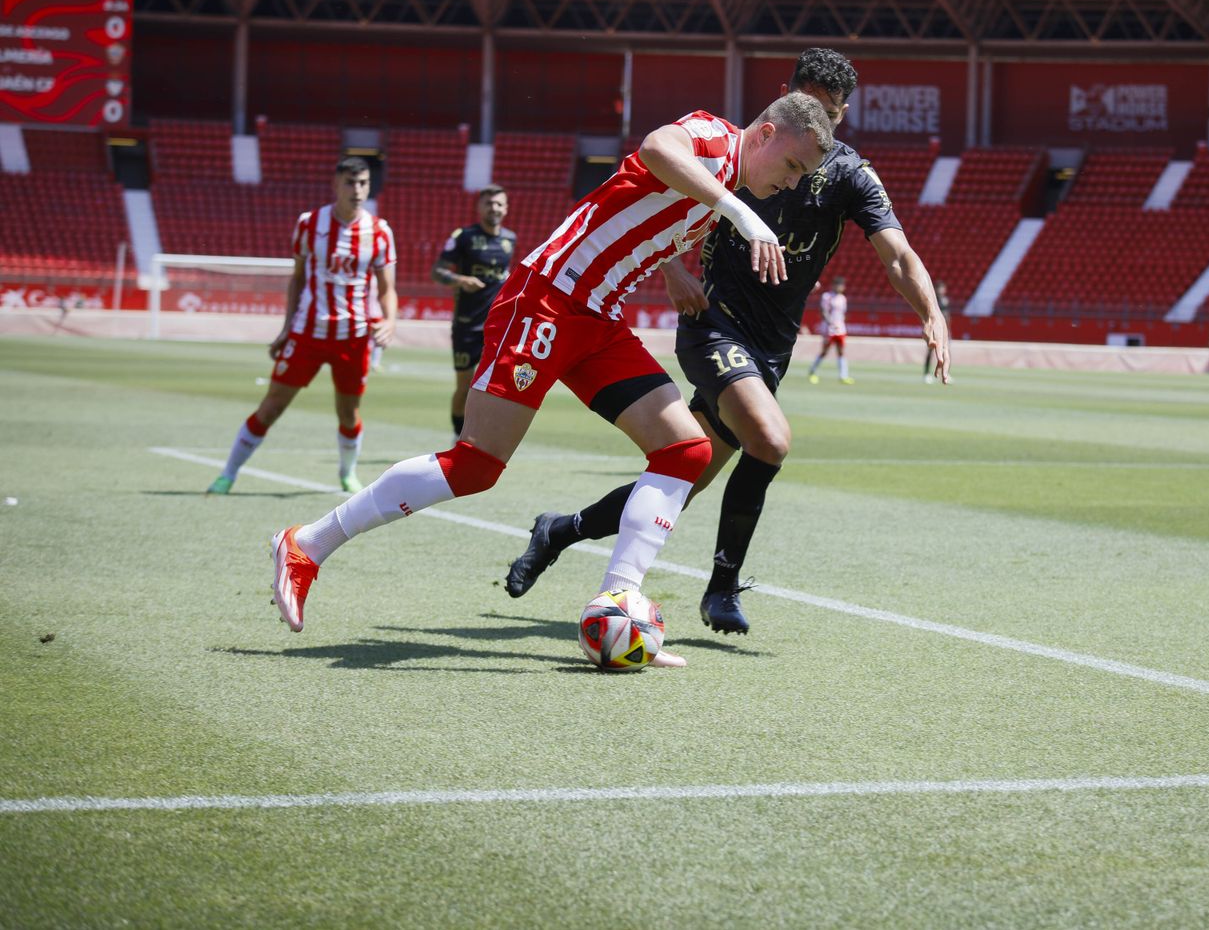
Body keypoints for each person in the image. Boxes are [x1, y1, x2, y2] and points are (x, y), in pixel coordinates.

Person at [268, 94, 834, 669]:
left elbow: (639, 207)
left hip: (599, 318)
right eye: (792, 166)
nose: (791, 184)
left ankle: (619, 598)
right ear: (764, 135)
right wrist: (739, 214)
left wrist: (674, 266)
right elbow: (658, 149)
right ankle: (307, 544)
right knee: (476, 465)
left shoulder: (729, 188)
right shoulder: (714, 140)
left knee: (686, 450)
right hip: (546, 301)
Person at [502, 47, 951, 636]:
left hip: (772, 348)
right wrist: (671, 268)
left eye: (832, 110)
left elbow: (897, 253)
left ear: (841, 114)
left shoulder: (848, 175)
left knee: (682, 479)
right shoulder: (744, 149)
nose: (819, 117)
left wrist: (932, 313)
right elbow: (647, 192)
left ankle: (560, 530)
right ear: (789, 95)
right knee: (769, 439)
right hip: (714, 324)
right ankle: (721, 588)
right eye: (810, 102)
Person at [207, 157, 396, 495]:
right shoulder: (309, 224)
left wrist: (391, 322)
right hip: (307, 333)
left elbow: (387, 289)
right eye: (351, 182)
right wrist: (285, 328)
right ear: (336, 184)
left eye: (364, 183)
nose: (357, 190)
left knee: (348, 412)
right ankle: (228, 474)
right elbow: (296, 280)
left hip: (353, 337)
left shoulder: (380, 232)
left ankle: (347, 474)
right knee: (272, 405)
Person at [434, 185, 517, 438]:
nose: (494, 208)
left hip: (497, 325)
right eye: (489, 203)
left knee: (493, 386)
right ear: (479, 207)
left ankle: (481, 436)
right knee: (464, 387)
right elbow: (437, 271)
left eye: (499, 204)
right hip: (467, 325)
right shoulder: (464, 237)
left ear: (506, 208)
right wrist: (461, 280)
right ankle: (457, 436)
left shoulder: (509, 239)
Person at [807, 275, 853, 384]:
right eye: (839, 285)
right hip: (829, 328)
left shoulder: (842, 298)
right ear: (834, 285)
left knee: (841, 351)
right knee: (825, 351)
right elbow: (823, 311)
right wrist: (830, 323)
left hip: (840, 328)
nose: (841, 287)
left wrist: (840, 323)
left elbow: (842, 314)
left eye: (842, 285)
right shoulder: (827, 296)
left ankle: (843, 375)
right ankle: (812, 371)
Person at [924, 279, 951, 383]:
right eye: (939, 288)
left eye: (943, 288)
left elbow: (947, 315)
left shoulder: (946, 300)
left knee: (946, 352)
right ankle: (926, 373)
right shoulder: (934, 300)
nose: (941, 290)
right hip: (935, 330)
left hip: (945, 330)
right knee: (931, 351)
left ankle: (946, 373)